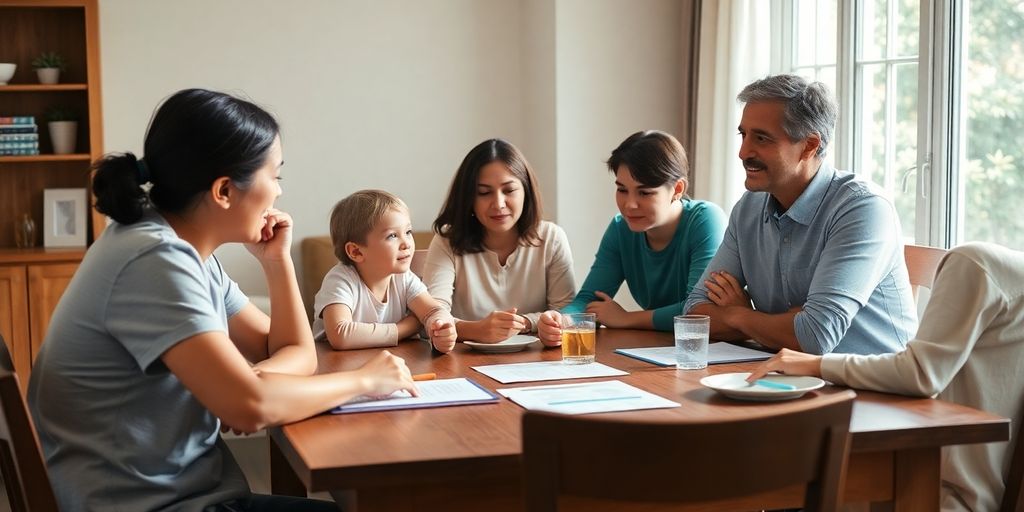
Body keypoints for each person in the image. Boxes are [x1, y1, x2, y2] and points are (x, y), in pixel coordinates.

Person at [27, 89, 418, 512]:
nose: (279, 194)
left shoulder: (187, 251)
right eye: (276, 176)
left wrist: (276, 263)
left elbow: (290, 354)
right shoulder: (154, 259)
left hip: (183, 496)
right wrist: (366, 381)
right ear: (224, 191)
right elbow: (251, 409)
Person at [747, 242, 1024, 511]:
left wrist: (817, 365)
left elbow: (921, 373)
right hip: (969, 491)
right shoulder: (1006, 272)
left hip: (937, 494)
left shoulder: (975, 263)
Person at [684, 74, 915, 355]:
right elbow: (694, 313)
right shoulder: (748, 208)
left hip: (871, 390)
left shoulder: (862, 209)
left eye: (762, 138)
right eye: (743, 135)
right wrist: (780, 323)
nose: (743, 152)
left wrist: (738, 314)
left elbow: (815, 336)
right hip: (783, 377)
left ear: (809, 145)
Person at [561, 130, 726, 332]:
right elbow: (588, 300)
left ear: (677, 189)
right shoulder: (621, 228)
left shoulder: (706, 220)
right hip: (660, 345)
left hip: (712, 349)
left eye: (645, 193)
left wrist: (626, 319)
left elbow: (698, 311)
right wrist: (561, 321)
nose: (629, 205)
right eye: (622, 190)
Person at [423, 138, 575, 346]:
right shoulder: (447, 242)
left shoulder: (552, 237)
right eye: (484, 193)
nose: (499, 203)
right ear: (468, 198)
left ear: (526, 192)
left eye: (509, 190)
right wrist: (476, 330)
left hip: (537, 362)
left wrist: (534, 324)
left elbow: (568, 312)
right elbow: (432, 314)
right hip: (462, 362)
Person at [312, 190, 457, 352]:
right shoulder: (340, 280)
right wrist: (408, 326)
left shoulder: (404, 278)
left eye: (408, 232)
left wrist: (441, 326)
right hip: (335, 367)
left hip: (385, 362)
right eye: (392, 236)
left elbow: (433, 310)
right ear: (356, 252)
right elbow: (341, 334)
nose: (407, 243)